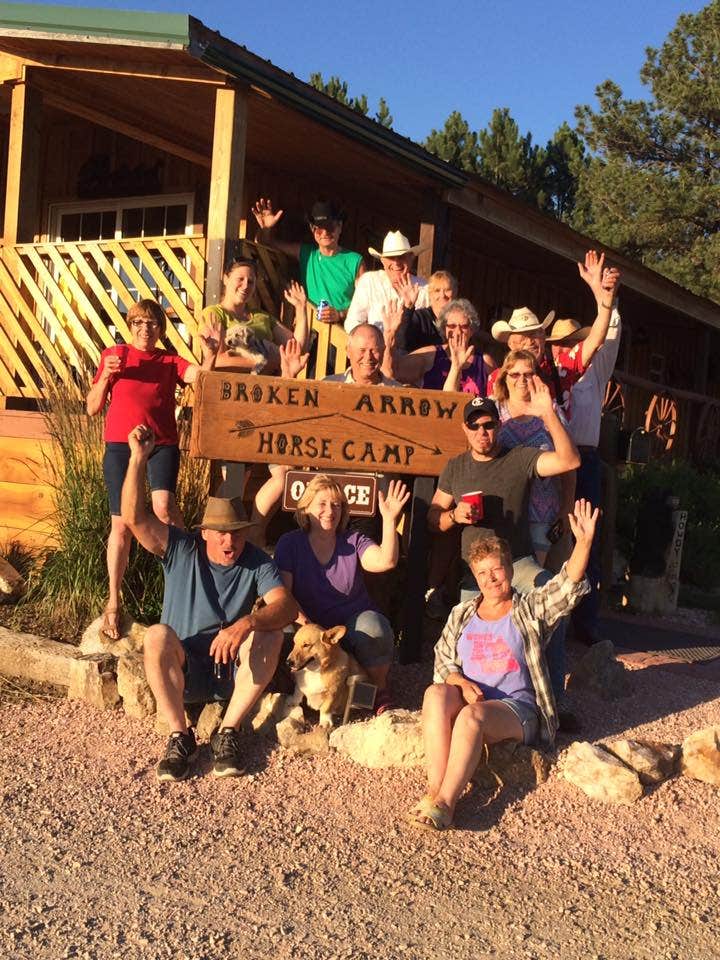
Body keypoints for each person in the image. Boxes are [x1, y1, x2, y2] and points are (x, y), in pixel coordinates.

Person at [121, 424, 298, 782]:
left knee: (271, 632)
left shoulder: (257, 561)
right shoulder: (182, 549)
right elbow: (134, 518)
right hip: (183, 668)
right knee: (155, 635)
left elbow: (287, 607)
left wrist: (247, 623)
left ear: (246, 532)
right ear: (204, 533)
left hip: (230, 669)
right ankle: (180, 735)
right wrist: (138, 459)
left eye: (236, 532)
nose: (228, 540)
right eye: (220, 532)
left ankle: (228, 731)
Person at [408, 499, 598, 831]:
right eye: (482, 573)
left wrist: (583, 543)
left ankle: (448, 804)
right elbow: (443, 660)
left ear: (509, 569)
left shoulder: (528, 611)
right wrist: (459, 682)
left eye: (496, 569)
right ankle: (434, 792)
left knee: (471, 717)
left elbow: (565, 589)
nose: (491, 578)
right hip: (472, 697)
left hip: (516, 709)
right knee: (436, 694)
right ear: (475, 577)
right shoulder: (463, 614)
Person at [427, 390, 580, 711]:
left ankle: (553, 701)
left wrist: (548, 413)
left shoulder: (518, 458)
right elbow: (432, 518)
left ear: (499, 425)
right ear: (465, 429)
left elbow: (570, 461)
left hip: (518, 562)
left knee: (553, 603)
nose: (483, 432)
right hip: (475, 572)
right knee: (462, 637)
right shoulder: (456, 467)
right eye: (475, 426)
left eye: (489, 424)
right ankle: (467, 702)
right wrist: (454, 516)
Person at [86, 299, 219, 640]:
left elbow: (200, 379)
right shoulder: (115, 355)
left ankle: (186, 586)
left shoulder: (169, 361)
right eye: (139, 323)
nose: (146, 329)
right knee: (121, 523)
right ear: (130, 327)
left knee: (163, 509)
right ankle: (113, 602)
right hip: (120, 445)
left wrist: (210, 355)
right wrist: (107, 377)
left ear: (161, 329)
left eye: (153, 324)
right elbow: (92, 407)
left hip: (160, 445)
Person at [274, 474, 410, 711]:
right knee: (277, 628)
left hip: (348, 624)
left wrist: (389, 520)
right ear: (305, 508)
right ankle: (293, 692)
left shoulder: (353, 540)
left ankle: (376, 691)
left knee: (374, 628)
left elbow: (386, 561)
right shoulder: (290, 543)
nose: (330, 511)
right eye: (322, 504)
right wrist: (309, 628)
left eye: (337, 505)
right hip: (305, 625)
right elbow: (283, 593)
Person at [564, 270, 622, 644]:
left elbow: (612, 334)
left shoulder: (594, 372)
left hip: (584, 461)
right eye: (561, 342)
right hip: (550, 460)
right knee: (553, 541)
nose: (564, 347)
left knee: (586, 537)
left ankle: (585, 624)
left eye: (571, 341)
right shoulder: (553, 375)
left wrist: (606, 296)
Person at [486, 250, 621, 408]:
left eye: (534, 333)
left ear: (543, 338)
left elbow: (596, 338)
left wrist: (605, 298)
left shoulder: (561, 369)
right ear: (511, 344)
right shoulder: (497, 379)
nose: (530, 341)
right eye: (523, 336)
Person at [493, 350, 575, 565]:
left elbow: (569, 463)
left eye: (528, 374)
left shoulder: (551, 410)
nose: (522, 380)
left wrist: (567, 507)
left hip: (542, 508)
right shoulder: (493, 409)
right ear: (504, 377)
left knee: (534, 575)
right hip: (503, 510)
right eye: (515, 374)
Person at [251, 198, 365, 323]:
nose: (325, 233)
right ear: (312, 229)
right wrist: (266, 228)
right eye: (319, 228)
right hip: (310, 330)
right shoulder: (306, 253)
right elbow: (265, 243)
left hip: (342, 334)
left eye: (330, 227)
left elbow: (366, 303)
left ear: (340, 226)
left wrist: (340, 314)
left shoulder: (355, 261)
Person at [204, 256, 309, 375]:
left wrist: (300, 309)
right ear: (226, 279)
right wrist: (267, 363)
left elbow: (297, 349)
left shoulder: (262, 316)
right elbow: (217, 361)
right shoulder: (214, 313)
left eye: (250, 282)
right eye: (240, 279)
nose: (245, 286)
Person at [382, 299, 495, 392]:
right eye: (452, 326)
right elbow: (389, 373)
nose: (457, 331)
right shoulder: (430, 355)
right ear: (444, 329)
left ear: (471, 330)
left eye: (464, 326)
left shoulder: (485, 362)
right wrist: (390, 335)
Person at [345, 231, 430, 333]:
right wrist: (373, 341)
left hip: (413, 348)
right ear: (382, 261)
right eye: (391, 257)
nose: (396, 262)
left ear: (411, 259)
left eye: (402, 257)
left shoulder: (425, 287)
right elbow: (352, 322)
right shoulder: (369, 281)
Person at [393, 270, 458, 353]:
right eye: (437, 290)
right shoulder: (420, 317)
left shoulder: (459, 319)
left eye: (447, 290)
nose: (442, 295)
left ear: (455, 293)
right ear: (430, 294)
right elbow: (402, 342)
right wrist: (408, 307)